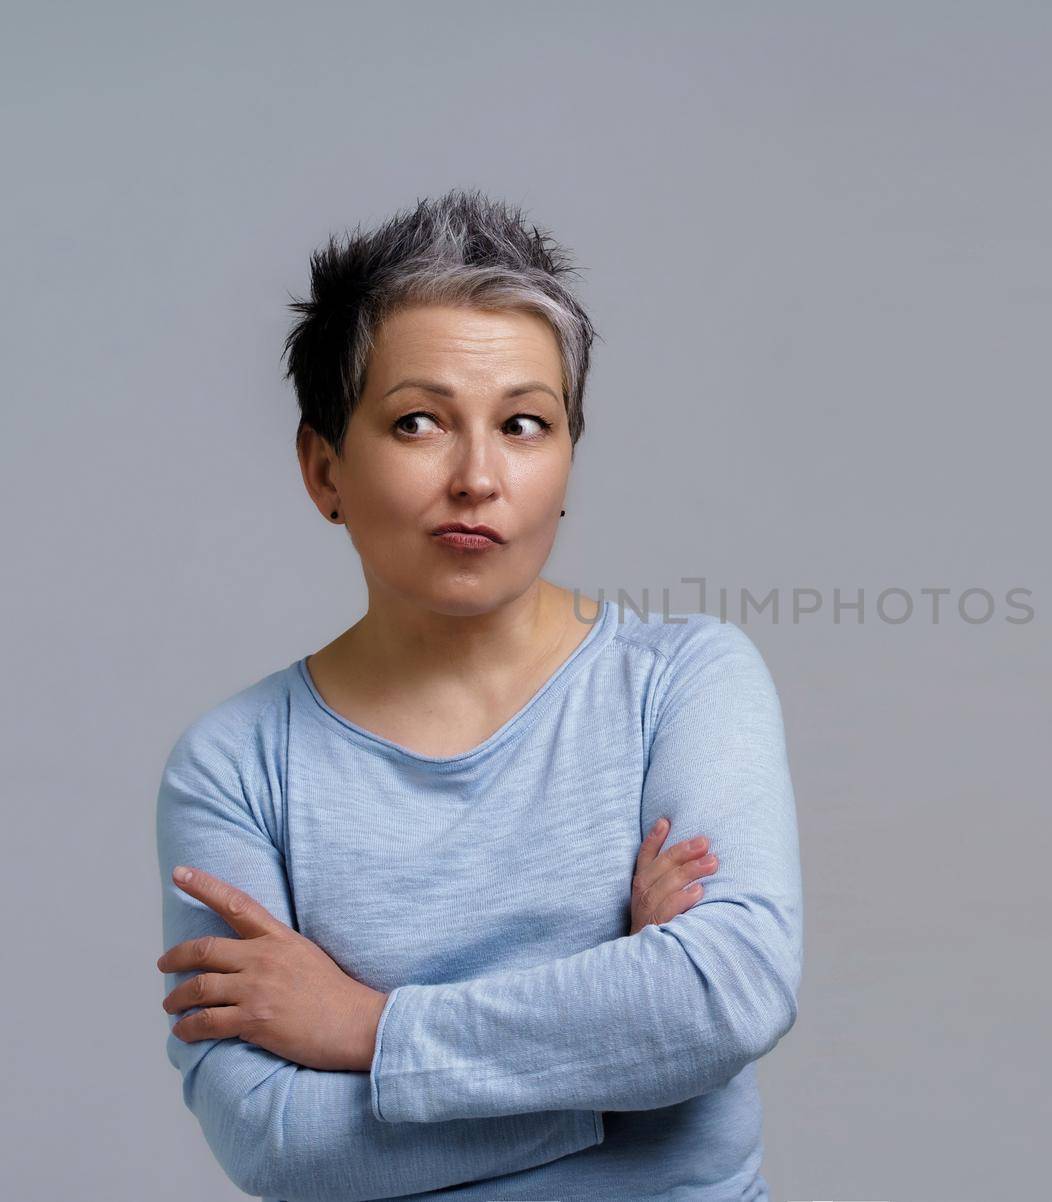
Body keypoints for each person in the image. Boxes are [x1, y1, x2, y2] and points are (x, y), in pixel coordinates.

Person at [152, 189, 803, 1202]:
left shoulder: (688, 678)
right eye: (417, 421)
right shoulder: (237, 763)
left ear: (567, 460)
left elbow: (725, 998)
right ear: (324, 468)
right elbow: (277, 1141)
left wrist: (366, 1027)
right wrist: (627, 1072)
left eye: (525, 424)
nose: (478, 475)